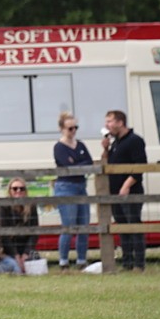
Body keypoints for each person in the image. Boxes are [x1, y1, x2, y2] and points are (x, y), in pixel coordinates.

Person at [101, 109, 147, 271]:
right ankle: (127, 262)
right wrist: (106, 149)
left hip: (130, 192)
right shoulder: (115, 142)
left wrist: (126, 185)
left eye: (110, 121)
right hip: (115, 193)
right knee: (122, 227)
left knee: (134, 226)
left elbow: (140, 166)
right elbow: (107, 164)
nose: (107, 125)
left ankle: (139, 264)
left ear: (120, 122)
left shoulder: (134, 140)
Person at [52, 112, 93, 270]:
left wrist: (77, 164)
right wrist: (80, 165)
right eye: (70, 128)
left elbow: (88, 162)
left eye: (75, 127)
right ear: (62, 129)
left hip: (81, 186)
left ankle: (81, 260)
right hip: (65, 187)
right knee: (68, 226)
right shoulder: (59, 147)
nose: (73, 131)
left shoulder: (81, 145)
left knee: (84, 225)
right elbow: (66, 166)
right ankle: (63, 260)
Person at [0, 178, 40, 272]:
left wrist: (26, 253)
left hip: (26, 248)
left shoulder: (31, 206)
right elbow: (3, 235)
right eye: (15, 188)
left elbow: (35, 233)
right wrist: (15, 255)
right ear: (9, 191)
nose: (18, 191)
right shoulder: (3, 207)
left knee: (36, 269)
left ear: (26, 191)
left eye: (22, 188)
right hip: (8, 249)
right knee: (16, 268)